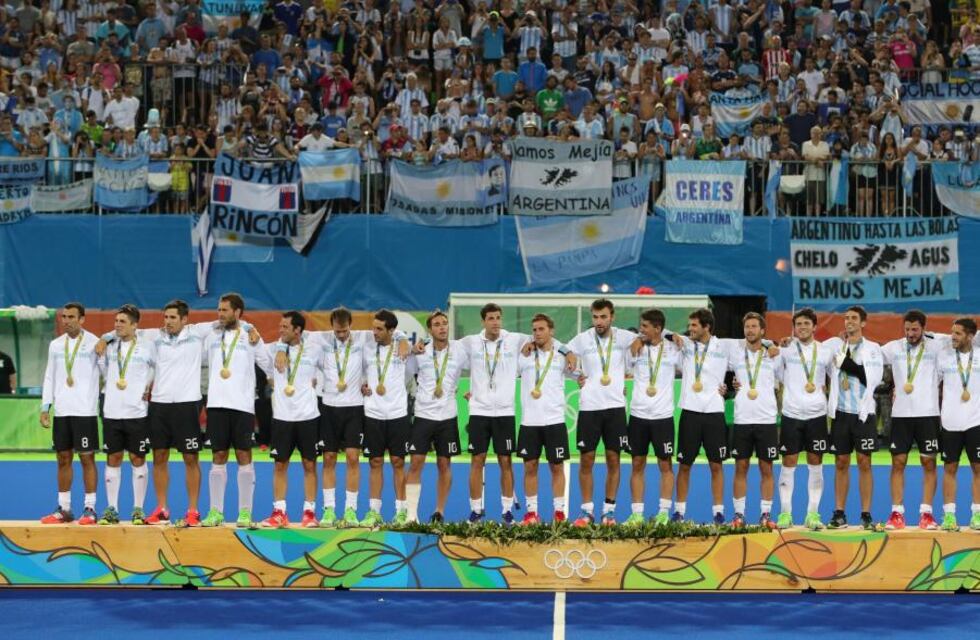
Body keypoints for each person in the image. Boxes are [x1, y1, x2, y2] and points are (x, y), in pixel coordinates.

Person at [564, 299, 636, 526]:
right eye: (595, 317)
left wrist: (635, 360)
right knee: (587, 459)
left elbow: (650, 338)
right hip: (589, 407)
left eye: (603, 317)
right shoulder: (582, 339)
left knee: (614, 459)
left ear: (612, 316)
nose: (599, 322)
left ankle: (609, 512)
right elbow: (560, 351)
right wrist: (575, 373)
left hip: (615, 408)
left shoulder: (624, 337)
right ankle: (587, 511)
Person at [201, 293, 271, 528]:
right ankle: (215, 512)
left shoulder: (251, 337)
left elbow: (268, 364)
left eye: (224, 310)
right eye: (218, 310)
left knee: (244, 455)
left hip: (242, 405)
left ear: (238, 312)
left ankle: (244, 513)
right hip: (216, 405)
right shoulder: (210, 333)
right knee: (218, 455)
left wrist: (253, 331)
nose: (220, 314)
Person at [459, 303, 529, 523]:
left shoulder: (514, 339)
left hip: (505, 412)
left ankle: (507, 510)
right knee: (477, 460)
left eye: (498, 317)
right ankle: (476, 509)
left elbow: (545, 339)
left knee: (505, 461)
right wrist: (413, 342)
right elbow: (445, 348)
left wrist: (566, 352)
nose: (496, 322)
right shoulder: (471, 343)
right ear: (483, 321)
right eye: (491, 318)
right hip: (480, 411)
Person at [665, 308, 731, 523]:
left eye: (694, 325)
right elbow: (656, 332)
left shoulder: (724, 346)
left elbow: (751, 350)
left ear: (707, 327)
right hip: (690, 412)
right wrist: (671, 335)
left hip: (714, 413)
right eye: (689, 325)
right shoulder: (684, 344)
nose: (689, 329)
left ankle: (719, 512)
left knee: (716, 465)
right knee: (685, 465)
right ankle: (679, 511)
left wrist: (730, 390)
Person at [260, 312, 324, 528]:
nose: (281, 330)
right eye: (281, 326)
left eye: (285, 327)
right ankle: (279, 512)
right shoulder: (272, 349)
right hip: (282, 417)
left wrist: (400, 336)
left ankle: (309, 513)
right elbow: (254, 348)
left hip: (308, 416)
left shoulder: (314, 348)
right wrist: (278, 346)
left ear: (298, 330)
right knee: (280, 465)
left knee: (309, 464)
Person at [881, 310, 944, 530]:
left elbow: (967, 338)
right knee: (898, 463)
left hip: (928, 415)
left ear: (924, 328)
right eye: (907, 329)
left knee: (929, 463)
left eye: (915, 329)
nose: (910, 333)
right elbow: (869, 355)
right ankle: (896, 513)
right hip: (901, 416)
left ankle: (926, 514)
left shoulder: (937, 344)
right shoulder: (894, 347)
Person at [40, 303, 101, 524]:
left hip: (85, 411)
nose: (66, 320)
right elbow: (49, 376)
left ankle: (90, 509)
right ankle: (64, 509)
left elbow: (105, 372)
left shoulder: (95, 343)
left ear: (82, 319)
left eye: (71, 317)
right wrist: (45, 406)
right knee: (63, 458)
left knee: (87, 458)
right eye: (64, 317)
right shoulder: (56, 345)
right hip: (62, 411)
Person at [824, 306, 884, 530]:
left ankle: (866, 513)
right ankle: (839, 513)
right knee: (841, 462)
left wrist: (846, 364)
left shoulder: (873, 349)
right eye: (846, 318)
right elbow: (811, 350)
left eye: (853, 318)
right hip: (840, 413)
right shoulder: (834, 346)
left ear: (863, 323)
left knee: (864, 462)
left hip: (863, 414)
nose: (848, 321)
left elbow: (873, 379)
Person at [405, 311, 467, 523]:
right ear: (430, 330)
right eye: (437, 325)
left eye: (445, 323)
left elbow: (481, 366)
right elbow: (404, 373)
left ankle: (439, 511)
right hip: (423, 414)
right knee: (416, 463)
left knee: (444, 464)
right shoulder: (420, 352)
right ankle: (411, 515)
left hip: (448, 415)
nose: (442, 327)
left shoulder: (460, 350)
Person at [776, 307, 835, 530]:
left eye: (806, 324)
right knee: (788, 463)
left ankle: (813, 514)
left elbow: (836, 379)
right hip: (791, 414)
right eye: (798, 324)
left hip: (817, 415)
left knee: (815, 463)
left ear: (814, 327)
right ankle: (785, 514)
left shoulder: (825, 351)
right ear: (794, 328)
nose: (802, 328)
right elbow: (770, 370)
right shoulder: (785, 350)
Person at [96, 305, 154, 525]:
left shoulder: (147, 346)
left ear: (134, 325)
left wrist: (146, 386)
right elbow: (102, 371)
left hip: (137, 412)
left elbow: (157, 367)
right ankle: (112, 509)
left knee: (138, 458)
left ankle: (138, 509)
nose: (117, 325)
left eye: (122, 322)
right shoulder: (109, 347)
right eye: (116, 321)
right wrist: (105, 337)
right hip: (111, 411)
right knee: (113, 458)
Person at [624, 309, 681, 526]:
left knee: (665, 465)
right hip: (638, 415)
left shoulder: (674, 348)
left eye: (645, 326)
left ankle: (664, 513)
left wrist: (670, 334)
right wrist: (639, 338)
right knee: (637, 464)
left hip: (663, 416)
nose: (641, 330)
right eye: (641, 326)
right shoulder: (634, 348)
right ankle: (637, 514)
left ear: (658, 328)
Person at [359, 309, 413, 526]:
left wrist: (402, 339)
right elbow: (359, 371)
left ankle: (401, 511)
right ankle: (374, 511)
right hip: (373, 413)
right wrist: (362, 384)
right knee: (375, 461)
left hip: (398, 414)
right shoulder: (367, 349)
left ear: (392, 330)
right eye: (373, 327)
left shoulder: (403, 349)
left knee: (398, 462)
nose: (374, 332)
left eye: (379, 329)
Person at [729, 313, 783, 528]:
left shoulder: (774, 355)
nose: (750, 330)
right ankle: (739, 515)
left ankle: (766, 515)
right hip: (742, 418)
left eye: (754, 327)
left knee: (766, 468)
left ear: (762, 331)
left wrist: (774, 345)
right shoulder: (735, 354)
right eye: (747, 327)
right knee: (740, 467)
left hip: (766, 419)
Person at [516, 313, 571, 525]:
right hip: (529, 421)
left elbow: (581, 375)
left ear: (551, 331)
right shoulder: (524, 355)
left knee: (557, 467)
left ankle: (559, 513)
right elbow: (505, 374)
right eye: (535, 330)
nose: (537, 333)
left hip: (555, 421)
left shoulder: (562, 355)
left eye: (541, 329)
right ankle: (531, 514)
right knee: (530, 467)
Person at [938, 318, 980, 531]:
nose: (952, 337)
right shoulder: (944, 357)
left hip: (976, 421)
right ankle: (949, 516)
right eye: (952, 332)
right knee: (950, 467)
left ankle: (977, 514)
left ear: (970, 336)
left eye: (958, 333)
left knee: (978, 468)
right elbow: (930, 383)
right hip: (950, 421)